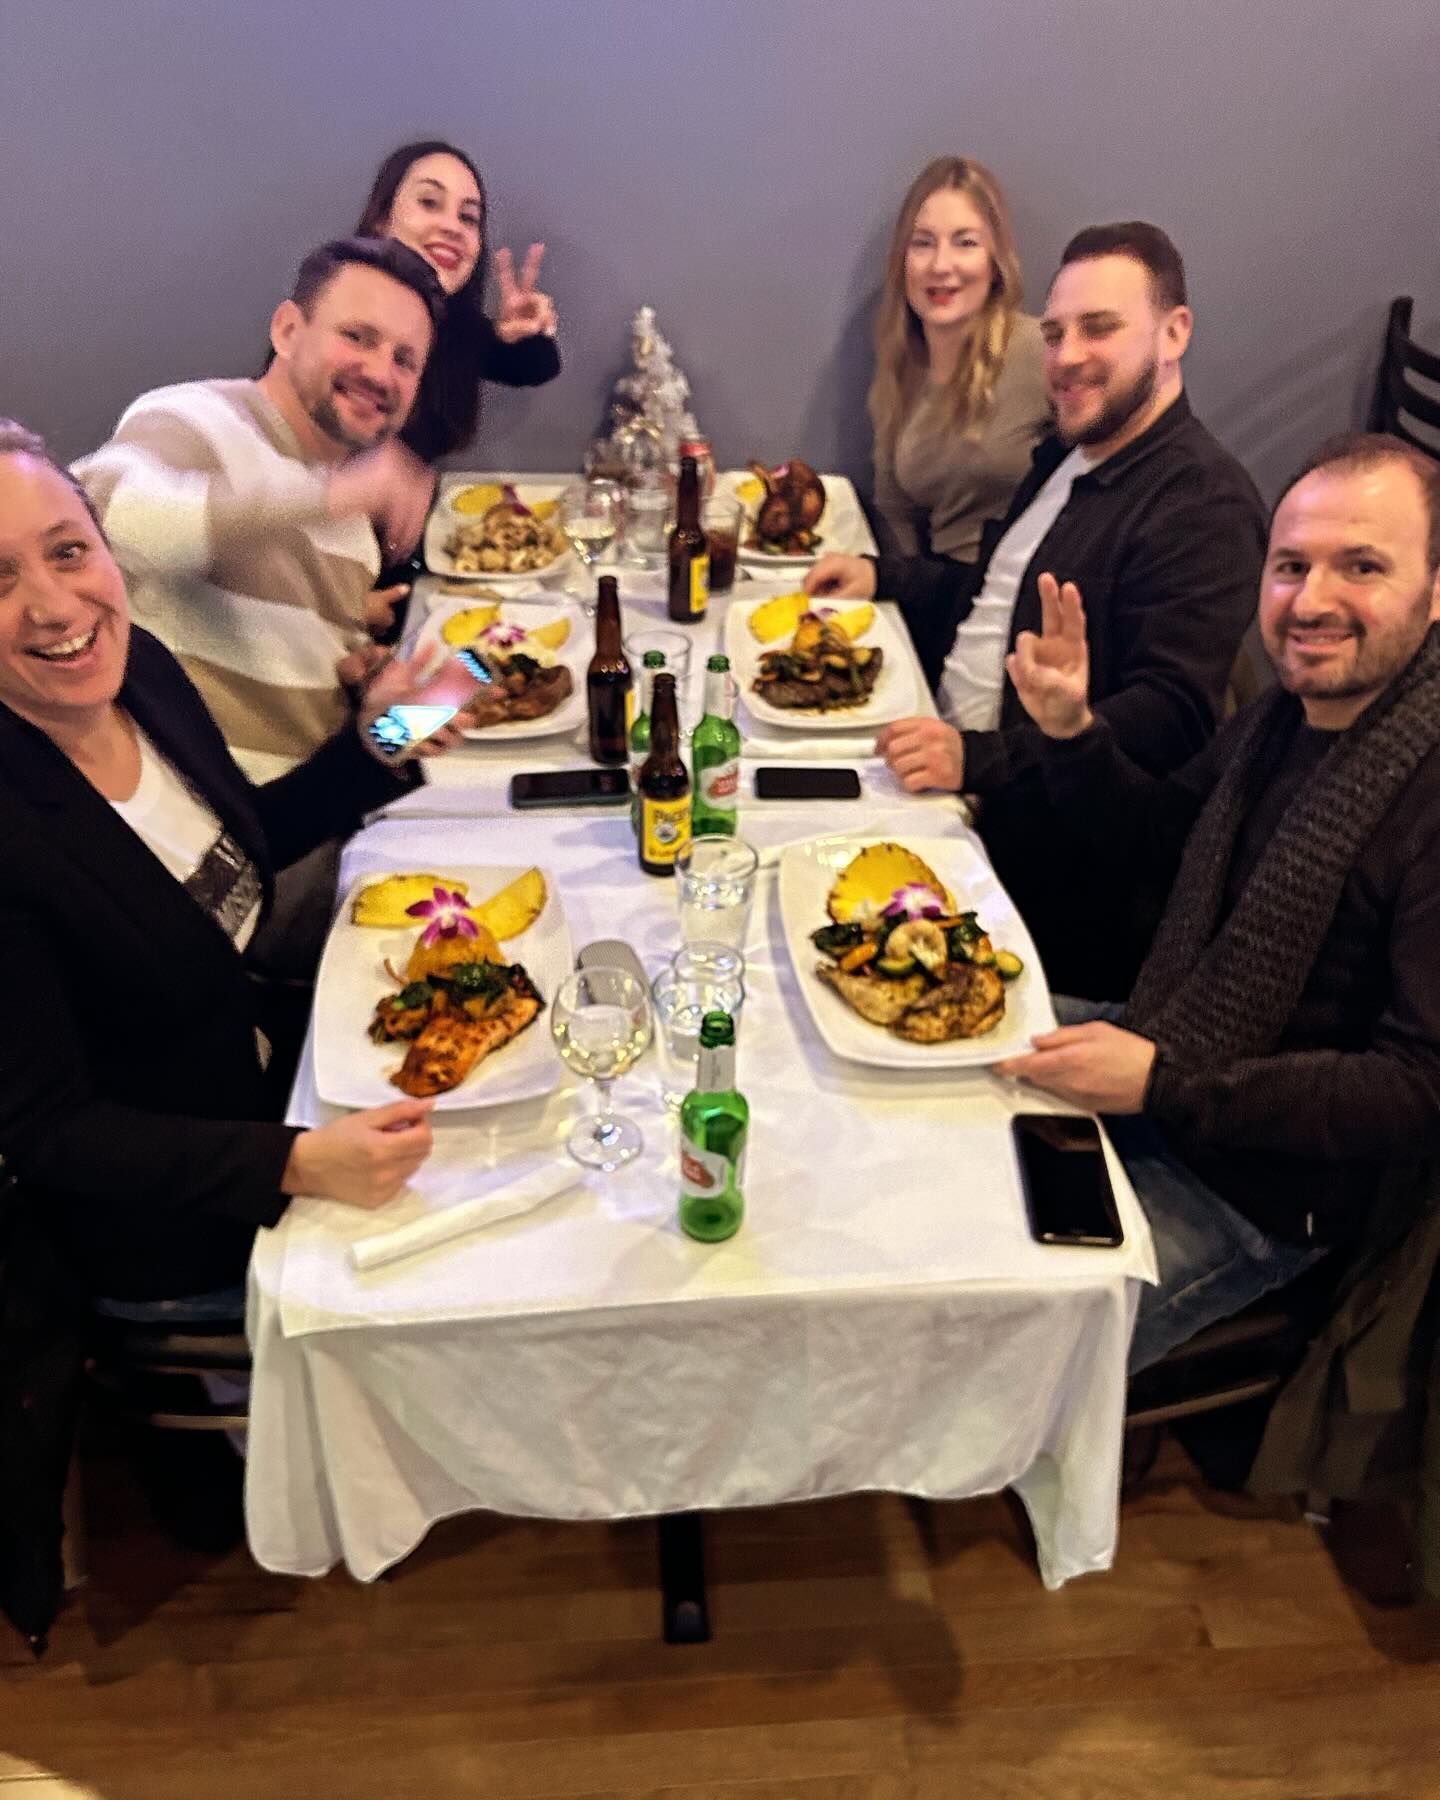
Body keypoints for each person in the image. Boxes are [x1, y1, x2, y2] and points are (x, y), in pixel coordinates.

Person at [993, 434, 1440, 1371]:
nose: (1312, 601)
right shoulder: (1284, 717)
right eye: (1291, 567)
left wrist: (1165, 1085)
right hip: (1169, 1049)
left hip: (1263, 1194)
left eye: (1362, 566)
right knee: (921, 1083)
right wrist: (1073, 731)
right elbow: (1156, 842)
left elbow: (1418, 1092)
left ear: (1435, 592)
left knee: (1000, 1341)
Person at [0, 422, 457, 1305]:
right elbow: (51, 1130)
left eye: (67, 551)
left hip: (283, 1076)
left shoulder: (141, 679)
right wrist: (293, 1161)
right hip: (177, 1210)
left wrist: (393, 731)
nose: (55, 607)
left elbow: (248, 845)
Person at [809, 222, 1266, 997]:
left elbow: (1172, 717)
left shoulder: (1202, 504)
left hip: (1032, 866)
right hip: (938, 751)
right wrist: (881, 574)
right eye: (1054, 335)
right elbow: (992, 598)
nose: (1067, 357)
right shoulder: (1071, 456)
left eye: (1100, 328)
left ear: (1174, 331)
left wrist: (976, 759)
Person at [75, 234, 444, 782]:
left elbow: (327, 729)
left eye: (405, 360)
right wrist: (333, 497)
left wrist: (381, 701)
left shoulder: (353, 529)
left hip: (321, 812)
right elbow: (107, 523)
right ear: (288, 331)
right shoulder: (195, 418)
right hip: (217, 841)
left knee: (461, 692)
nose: (381, 372)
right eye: (358, 336)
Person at [869, 156, 1049, 568]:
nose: (941, 265)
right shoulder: (901, 367)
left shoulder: (1041, 352)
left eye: (965, 242)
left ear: (995, 261)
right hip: (937, 602)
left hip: (1025, 606)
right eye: (923, 243)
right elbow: (895, 513)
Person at [355, 138, 561, 472]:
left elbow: (537, 366)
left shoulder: (452, 326)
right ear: (381, 219)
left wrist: (524, 331)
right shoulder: (331, 314)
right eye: (429, 202)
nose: (452, 227)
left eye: (467, 218)